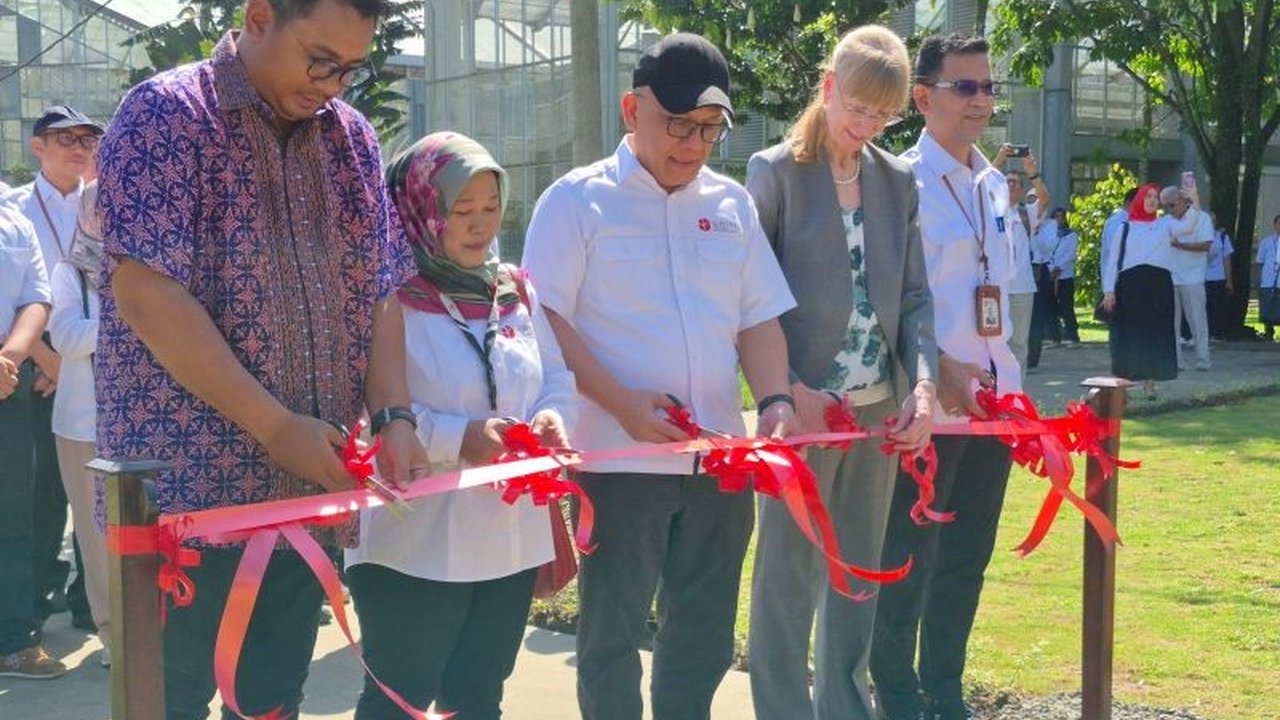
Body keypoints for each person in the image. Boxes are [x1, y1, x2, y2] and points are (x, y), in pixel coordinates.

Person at [94, 0, 426, 717]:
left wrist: (394, 417)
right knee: (168, 698)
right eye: (319, 60)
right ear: (259, 16)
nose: (331, 84)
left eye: (350, 69)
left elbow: (380, 289)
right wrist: (274, 425)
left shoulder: (351, 139)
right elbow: (147, 292)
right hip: (185, 497)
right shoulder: (167, 115)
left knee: (273, 698)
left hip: (304, 491)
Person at [521, 32, 798, 720]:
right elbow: (544, 321)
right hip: (618, 465)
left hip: (719, 463)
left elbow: (758, 318)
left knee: (703, 633)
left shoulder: (732, 205)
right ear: (631, 108)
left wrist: (775, 400)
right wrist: (620, 403)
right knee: (612, 635)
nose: (694, 143)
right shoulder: (575, 202)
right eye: (679, 123)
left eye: (709, 128)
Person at [344, 132, 577, 719]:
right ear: (421, 211)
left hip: (508, 541)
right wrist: (459, 438)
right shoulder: (386, 297)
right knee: (398, 701)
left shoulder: (515, 288)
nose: (480, 224)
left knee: (478, 699)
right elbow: (366, 409)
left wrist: (551, 417)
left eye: (491, 207)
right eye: (460, 209)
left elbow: (554, 376)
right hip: (413, 544)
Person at [743, 26, 938, 720]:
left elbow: (914, 298)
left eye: (884, 116)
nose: (868, 126)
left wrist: (922, 387)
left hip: (879, 409)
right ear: (828, 88)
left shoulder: (897, 180)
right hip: (800, 410)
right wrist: (783, 392)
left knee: (859, 575)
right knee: (786, 582)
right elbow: (748, 298)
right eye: (858, 108)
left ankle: (846, 709)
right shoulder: (774, 172)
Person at [868, 33, 1021, 720]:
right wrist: (940, 372)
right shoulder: (898, 182)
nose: (981, 100)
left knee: (965, 562)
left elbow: (1001, 295)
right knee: (908, 561)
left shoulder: (994, 185)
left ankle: (944, 691)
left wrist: (1004, 385)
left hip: (994, 408)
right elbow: (885, 302)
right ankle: (897, 694)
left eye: (988, 87)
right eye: (966, 87)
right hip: (927, 408)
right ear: (923, 97)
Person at [1, 105, 103, 629]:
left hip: (88, 365)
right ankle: (37, 597)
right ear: (37, 146)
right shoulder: (14, 209)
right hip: (30, 364)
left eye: (87, 139)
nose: (79, 148)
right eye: (66, 139)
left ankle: (92, 604)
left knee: (98, 491)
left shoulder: (102, 202)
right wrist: (41, 357)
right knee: (41, 491)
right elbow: (21, 293)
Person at [47, 182, 112, 667]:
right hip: (82, 426)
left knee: (150, 535)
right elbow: (66, 336)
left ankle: (159, 631)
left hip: (143, 422)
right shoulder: (69, 271)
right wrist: (133, 321)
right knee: (96, 538)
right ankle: (115, 635)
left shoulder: (152, 268)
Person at [0, 204, 64, 679]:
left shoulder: (12, 219)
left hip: (6, 380)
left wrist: (10, 357)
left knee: (12, 516)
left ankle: (14, 641)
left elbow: (36, 299)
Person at [1099, 183, 1201, 399]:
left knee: (1155, 335)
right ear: (1140, 200)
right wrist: (1109, 290)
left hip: (1158, 286)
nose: (1153, 200)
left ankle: (1150, 384)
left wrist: (1194, 200)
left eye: (1155, 197)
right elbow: (1112, 261)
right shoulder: (1124, 228)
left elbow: (1189, 226)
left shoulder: (1165, 224)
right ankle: (1125, 385)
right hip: (1131, 286)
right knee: (1129, 336)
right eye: (1148, 196)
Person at [992, 147, 1048, 370]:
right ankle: (994, 388)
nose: (1011, 184)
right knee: (994, 342)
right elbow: (980, 185)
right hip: (995, 288)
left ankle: (1017, 387)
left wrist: (1032, 172)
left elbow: (1044, 198)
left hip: (1023, 288)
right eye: (1007, 181)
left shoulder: (1027, 214)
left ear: (1022, 189)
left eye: (1015, 182)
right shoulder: (990, 211)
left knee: (1018, 343)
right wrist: (999, 159)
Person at [1161, 186, 1212, 370]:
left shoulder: (1202, 217)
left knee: (1197, 320)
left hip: (1193, 277)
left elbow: (1206, 245)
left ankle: (1203, 359)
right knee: (1171, 322)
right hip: (1170, 276)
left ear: (1183, 201)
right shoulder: (1165, 221)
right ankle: (1176, 360)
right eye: (1165, 206)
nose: (1169, 210)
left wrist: (1179, 245)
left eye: (1172, 205)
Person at [1046, 208, 1081, 347]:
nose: (1059, 220)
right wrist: (1050, 269)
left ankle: (1072, 336)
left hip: (1065, 275)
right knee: (1051, 307)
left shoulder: (1071, 235)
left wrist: (1059, 267)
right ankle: (1054, 337)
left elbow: (1070, 254)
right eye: (1056, 217)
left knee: (1066, 306)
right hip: (1050, 275)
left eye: (1061, 217)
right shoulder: (1048, 235)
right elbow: (1045, 252)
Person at [1204, 213, 1235, 340]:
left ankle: (1217, 333)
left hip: (1219, 277)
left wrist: (1229, 280)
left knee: (1218, 307)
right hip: (1203, 278)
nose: (1211, 224)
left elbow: (1226, 259)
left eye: (1213, 221)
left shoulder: (1222, 236)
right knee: (1205, 307)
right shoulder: (1198, 236)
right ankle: (1206, 333)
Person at [1255, 215, 1280, 341]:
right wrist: (1260, 279)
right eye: (1279, 223)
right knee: (1267, 307)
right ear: (1274, 225)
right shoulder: (1266, 242)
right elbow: (1260, 262)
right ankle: (1268, 332)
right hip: (1268, 281)